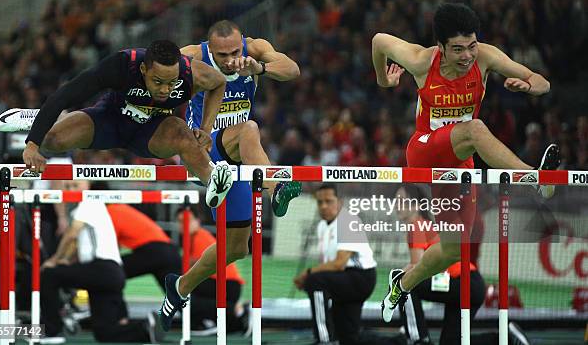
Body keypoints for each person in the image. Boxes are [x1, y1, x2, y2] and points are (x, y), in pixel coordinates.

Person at [373, 3, 561, 322]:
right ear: (441, 48)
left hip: (459, 162)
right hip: (424, 150)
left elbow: (541, 80)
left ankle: (400, 285)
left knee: (452, 249)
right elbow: (378, 40)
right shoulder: (421, 61)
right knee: (474, 129)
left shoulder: (486, 57)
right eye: (458, 49)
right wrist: (383, 81)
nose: (467, 56)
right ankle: (534, 179)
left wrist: (530, 87)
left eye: (471, 46)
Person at [159, 20, 302, 330]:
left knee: (236, 247)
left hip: (239, 164)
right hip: (204, 153)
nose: (229, 61)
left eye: (234, 52)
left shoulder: (256, 50)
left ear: (242, 45)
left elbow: (292, 70)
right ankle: (276, 186)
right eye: (222, 55)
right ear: (210, 48)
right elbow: (151, 69)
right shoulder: (193, 55)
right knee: (250, 128)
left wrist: (258, 69)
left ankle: (180, 287)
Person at [0, 39, 234, 208]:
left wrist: (205, 129)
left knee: (182, 133)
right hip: (110, 119)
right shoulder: (122, 65)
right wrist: (32, 144)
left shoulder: (193, 73)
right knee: (53, 140)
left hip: (152, 131)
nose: (164, 89)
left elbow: (219, 83)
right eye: (158, 81)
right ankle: (37, 119)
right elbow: (64, 95)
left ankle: (213, 181)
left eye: (171, 83)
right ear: (143, 69)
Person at [395, 184, 531, 345]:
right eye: (396, 202)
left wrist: (394, 282)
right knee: (452, 342)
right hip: (469, 285)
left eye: (402, 201)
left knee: (403, 284)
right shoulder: (423, 224)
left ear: (416, 205)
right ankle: (506, 338)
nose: (398, 206)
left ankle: (418, 339)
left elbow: (415, 267)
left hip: (464, 282)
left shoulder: (416, 226)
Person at [39, 180, 162, 344]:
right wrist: (65, 260)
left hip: (102, 270)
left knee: (49, 275)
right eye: (67, 186)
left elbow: (72, 235)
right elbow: (78, 244)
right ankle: (145, 327)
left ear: (87, 186)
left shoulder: (89, 202)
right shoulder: (91, 209)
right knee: (104, 333)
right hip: (111, 274)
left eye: (75, 185)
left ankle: (52, 332)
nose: (70, 190)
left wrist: (54, 261)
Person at [293, 184, 377, 345]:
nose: (323, 206)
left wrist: (308, 273)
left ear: (340, 202)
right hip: (344, 280)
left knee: (315, 281)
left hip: (360, 278)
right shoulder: (322, 226)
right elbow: (327, 264)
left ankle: (324, 340)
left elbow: (339, 264)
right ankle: (396, 342)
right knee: (349, 338)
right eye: (319, 202)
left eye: (328, 201)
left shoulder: (348, 221)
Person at [178, 209, 250, 336]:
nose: (183, 224)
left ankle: (233, 310)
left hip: (227, 284)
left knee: (183, 291)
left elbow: (194, 267)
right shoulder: (193, 238)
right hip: (226, 284)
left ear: (197, 221)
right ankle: (225, 318)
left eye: (187, 221)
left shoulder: (199, 237)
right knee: (185, 293)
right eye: (180, 222)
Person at [107, 202, 181, 291]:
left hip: (154, 251)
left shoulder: (110, 212)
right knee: (179, 295)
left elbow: (111, 247)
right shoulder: (120, 208)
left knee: (109, 273)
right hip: (169, 250)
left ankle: (113, 304)